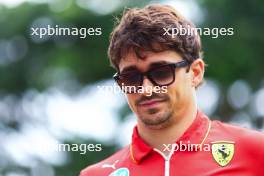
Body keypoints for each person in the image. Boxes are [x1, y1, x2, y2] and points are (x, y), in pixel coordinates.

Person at [80, 4, 264, 176]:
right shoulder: (97, 174)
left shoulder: (255, 152)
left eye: (161, 72)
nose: (146, 89)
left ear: (196, 73)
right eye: (131, 77)